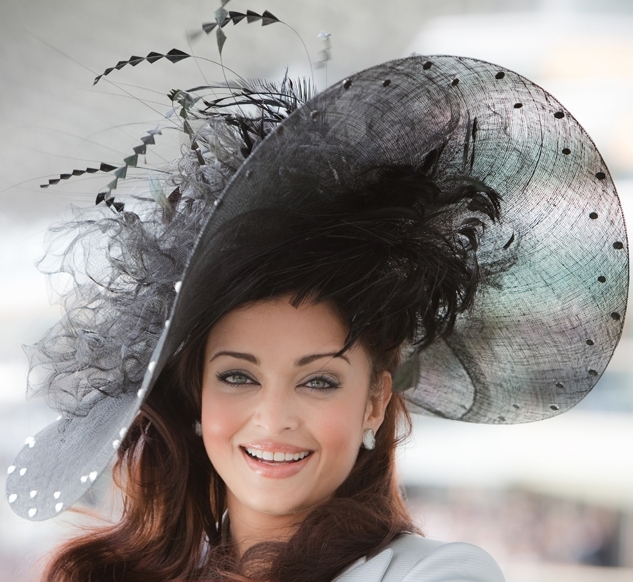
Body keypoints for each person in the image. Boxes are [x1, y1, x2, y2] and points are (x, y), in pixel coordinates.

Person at [4, 19, 628, 582]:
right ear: (196, 390)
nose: (273, 421)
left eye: (320, 381)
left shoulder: (435, 575)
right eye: (238, 376)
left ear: (375, 401)